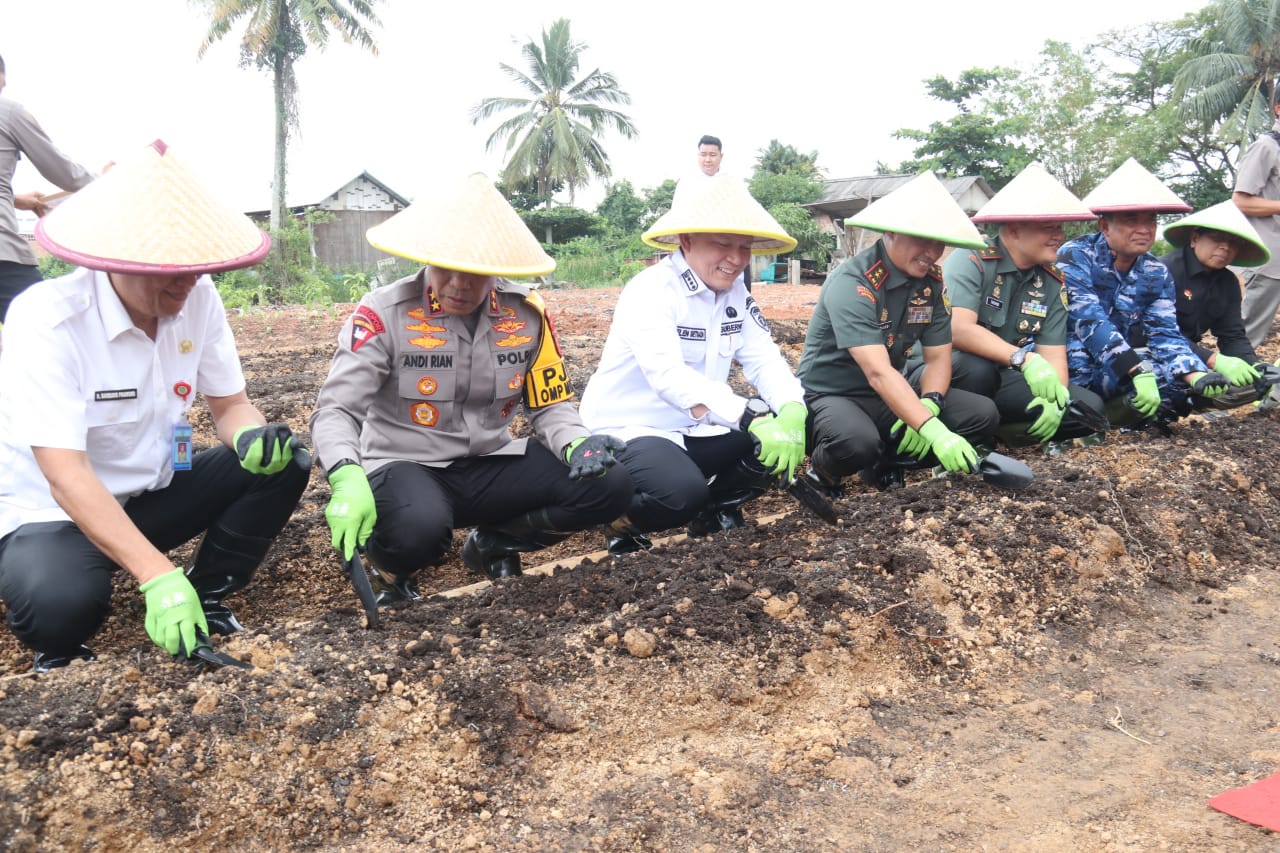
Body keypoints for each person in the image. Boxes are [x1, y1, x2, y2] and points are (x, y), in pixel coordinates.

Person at [0, 140, 309, 672]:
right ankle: (109, 594)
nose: (188, 280)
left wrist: (250, 437)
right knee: (59, 612)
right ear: (114, 256)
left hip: (150, 493)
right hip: (53, 514)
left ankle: (207, 593)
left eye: (197, 265)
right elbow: (65, 475)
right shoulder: (48, 321)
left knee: (286, 463)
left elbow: (230, 403)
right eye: (171, 267)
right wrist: (155, 575)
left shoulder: (197, 296)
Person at [311, 173, 632, 598]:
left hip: (490, 461)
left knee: (610, 485)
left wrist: (578, 445)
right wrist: (346, 474)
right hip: (407, 464)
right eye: (447, 268)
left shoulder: (527, 315)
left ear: (497, 269)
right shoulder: (385, 313)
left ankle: (493, 541)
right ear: (426, 257)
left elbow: (550, 404)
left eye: (476, 272)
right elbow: (336, 410)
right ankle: (391, 570)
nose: (459, 284)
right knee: (417, 531)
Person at [578, 175, 807, 556]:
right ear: (686, 241)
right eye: (722, 244)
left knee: (792, 431)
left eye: (745, 247)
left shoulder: (736, 293)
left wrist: (793, 411)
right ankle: (620, 521)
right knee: (680, 493)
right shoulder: (652, 291)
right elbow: (668, 376)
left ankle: (717, 508)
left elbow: (763, 357)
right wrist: (750, 418)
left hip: (696, 425)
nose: (736, 259)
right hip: (633, 427)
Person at [798, 171, 1001, 493]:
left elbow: (937, 359)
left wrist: (931, 403)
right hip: (832, 393)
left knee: (980, 414)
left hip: (888, 391)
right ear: (891, 231)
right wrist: (931, 427)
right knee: (857, 443)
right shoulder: (854, 284)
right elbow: (877, 372)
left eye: (939, 242)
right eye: (922, 239)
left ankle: (886, 462)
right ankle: (823, 472)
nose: (932, 252)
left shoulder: (930, 284)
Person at [941, 162, 1108, 448]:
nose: (1058, 236)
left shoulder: (1052, 280)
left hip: (1000, 375)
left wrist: (1053, 397)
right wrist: (1023, 359)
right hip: (944, 371)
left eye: (1059, 227)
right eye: (1048, 227)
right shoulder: (971, 260)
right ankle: (968, 438)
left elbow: (1053, 353)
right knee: (976, 368)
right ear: (1015, 230)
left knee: (1085, 408)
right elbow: (958, 330)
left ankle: (1000, 431)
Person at [1058, 158, 1230, 428]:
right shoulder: (1076, 255)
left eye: (1151, 221)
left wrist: (1195, 373)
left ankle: (1131, 416)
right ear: (1104, 226)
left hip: (1125, 360)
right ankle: (1104, 417)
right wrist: (1136, 368)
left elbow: (1164, 332)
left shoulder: (1155, 271)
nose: (1145, 229)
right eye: (1131, 220)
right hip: (1070, 359)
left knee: (1187, 383)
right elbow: (1089, 321)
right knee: (1153, 379)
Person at [1146, 200, 1275, 409]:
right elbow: (1150, 334)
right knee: (1156, 376)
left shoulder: (1228, 282)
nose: (1225, 246)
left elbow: (1232, 335)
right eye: (1217, 238)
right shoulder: (1163, 270)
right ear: (1195, 238)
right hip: (1151, 353)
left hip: (1193, 360)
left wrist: (1255, 366)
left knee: (1252, 383)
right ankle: (1164, 403)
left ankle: (1190, 402)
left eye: (1234, 242)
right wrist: (1211, 359)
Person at [0, 53, 96, 321]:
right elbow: (66, 175)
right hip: (3, 256)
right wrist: (109, 181)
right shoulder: (9, 112)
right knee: (48, 327)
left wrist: (17, 200)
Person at [1232, 84, 1280, 349]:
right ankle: (1228, 390)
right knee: (1246, 338)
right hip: (1268, 263)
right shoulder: (1266, 146)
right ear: (1278, 109)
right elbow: (1240, 200)